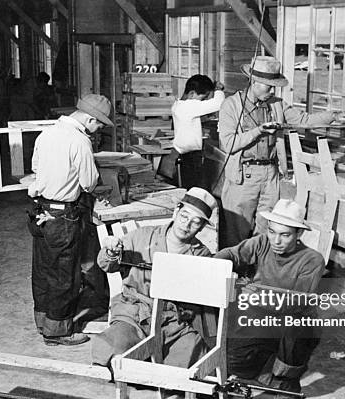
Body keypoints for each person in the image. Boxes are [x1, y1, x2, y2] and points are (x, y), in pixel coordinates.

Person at [218, 56, 345, 247]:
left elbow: (304, 120)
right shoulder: (231, 106)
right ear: (254, 82)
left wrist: (333, 116)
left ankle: (259, 273)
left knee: (267, 230)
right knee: (236, 229)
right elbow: (229, 144)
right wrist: (259, 131)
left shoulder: (276, 104)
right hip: (243, 175)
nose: (272, 90)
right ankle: (234, 273)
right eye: (269, 85)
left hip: (270, 175)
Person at [214, 199, 325, 399]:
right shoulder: (262, 242)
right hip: (259, 318)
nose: (276, 240)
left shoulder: (312, 260)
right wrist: (218, 266)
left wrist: (254, 295)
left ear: (299, 234)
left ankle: (288, 381)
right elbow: (232, 254)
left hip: (292, 320)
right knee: (235, 365)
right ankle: (269, 367)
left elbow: (294, 303)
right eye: (272, 231)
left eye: (285, 235)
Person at [91, 187, 218, 369]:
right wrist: (111, 251)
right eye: (184, 216)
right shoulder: (143, 236)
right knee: (110, 346)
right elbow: (106, 265)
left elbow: (202, 298)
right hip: (134, 314)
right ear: (176, 211)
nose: (186, 225)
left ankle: (147, 363)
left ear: (202, 227)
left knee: (195, 360)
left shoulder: (202, 254)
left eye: (195, 222)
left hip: (172, 322)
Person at [27, 94, 113, 346]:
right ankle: (58, 332)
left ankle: (44, 320)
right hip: (62, 216)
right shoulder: (79, 141)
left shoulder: (47, 134)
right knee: (64, 274)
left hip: (40, 211)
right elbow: (88, 183)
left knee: (43, 269)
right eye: (99, 124)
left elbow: (35, 168)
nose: (98, 130)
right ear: (89, 118)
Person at [171, 75, 225, 188]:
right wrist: (218, 90)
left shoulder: (178, 105)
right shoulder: (188, 106)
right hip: (191, 158)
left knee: (188, 188)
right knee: (196, 189)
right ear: (191, 94)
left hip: (183, 155)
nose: (202, 102)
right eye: (202, 98)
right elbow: (218, 103)